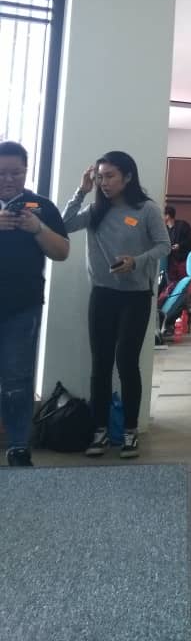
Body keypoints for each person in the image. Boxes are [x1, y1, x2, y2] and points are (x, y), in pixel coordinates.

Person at [62, 151, 170, 459]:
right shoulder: (95, 209)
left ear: (128, 177)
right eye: (100, 177)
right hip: (102, 295)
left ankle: (130, 431)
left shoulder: (146, 209)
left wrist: (136, 261)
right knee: (101, 364)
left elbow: (164, 245)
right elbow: (62, 225)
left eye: (110, 176)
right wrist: (81, 191)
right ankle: (100, 430)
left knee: (126, 362)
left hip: (135, 297)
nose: (104, 182)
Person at [0, 141, 70, 467]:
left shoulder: (41, 206)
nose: (8, 179)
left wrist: (37, 228)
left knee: (17, 378)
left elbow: (62, 252)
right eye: (1, 173)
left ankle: (18, 446)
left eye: (15, 173)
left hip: (22, 306)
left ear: (26, 171)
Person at [163, 205, 191, 285]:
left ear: (167, 216)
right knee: (171, 284)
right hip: (171, 261)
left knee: (183, 283)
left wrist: (180, 245)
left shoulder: (182, 225)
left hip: (183, 260)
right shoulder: (164, 229)